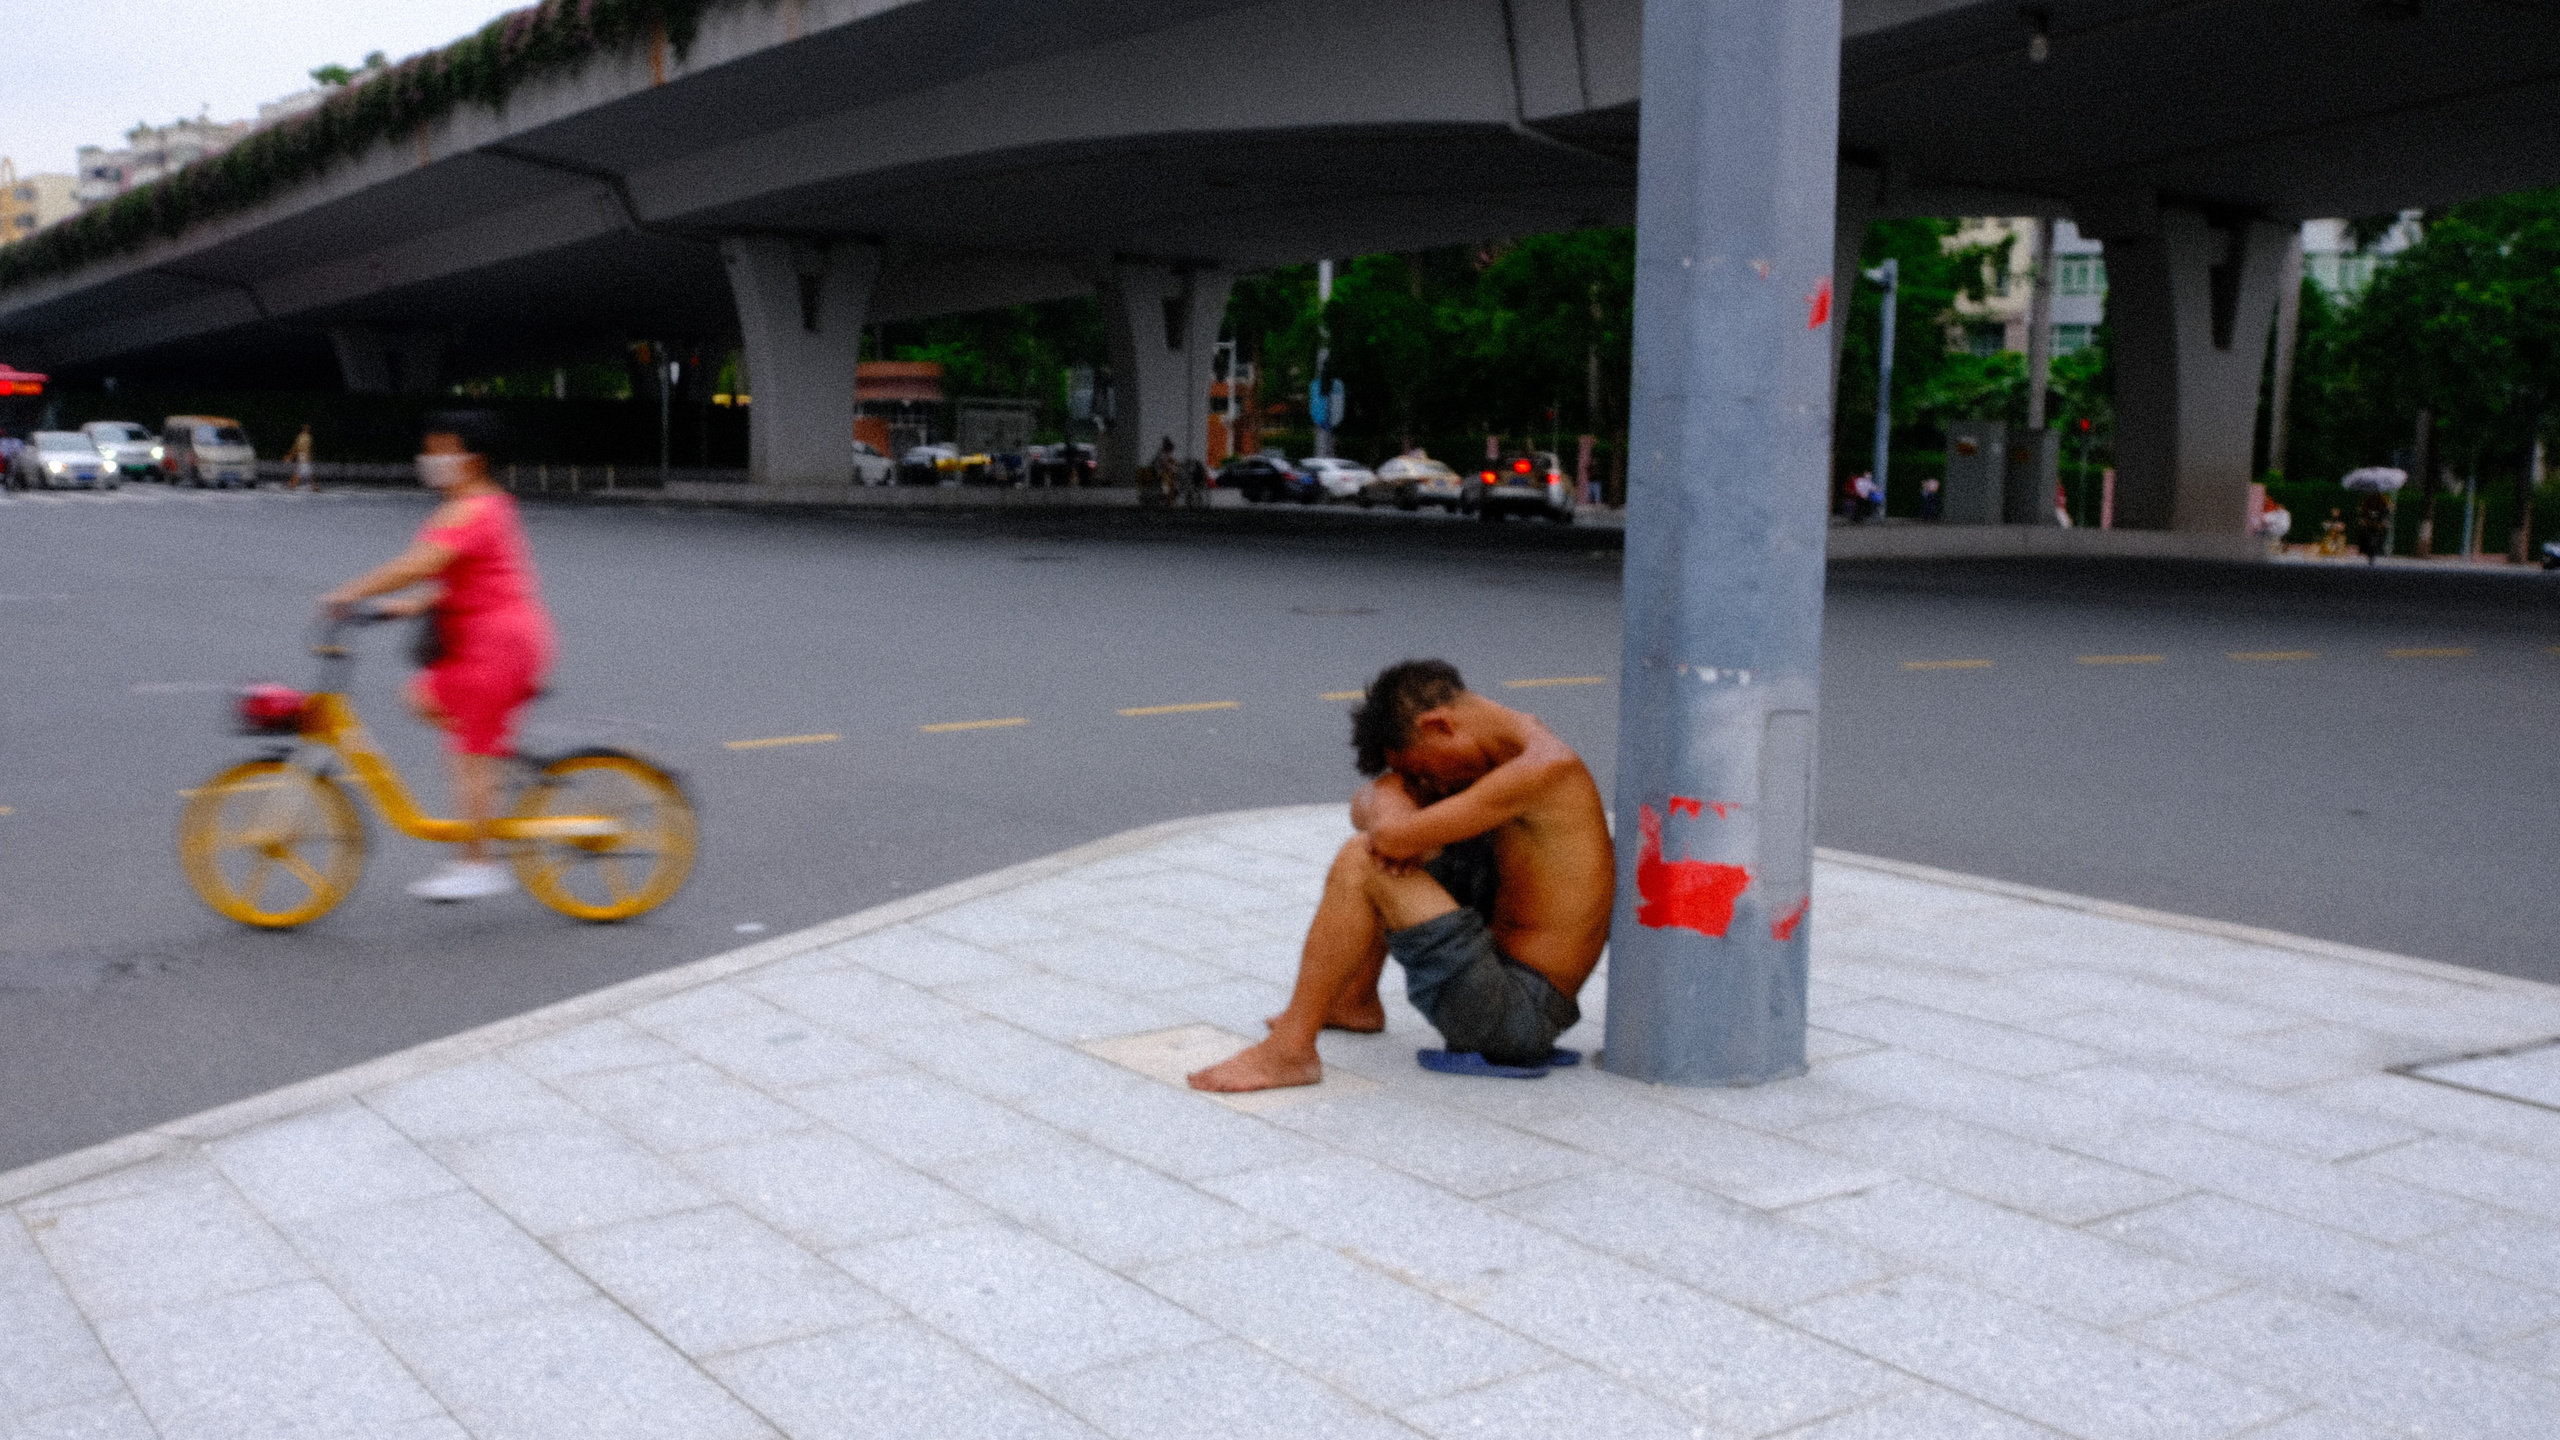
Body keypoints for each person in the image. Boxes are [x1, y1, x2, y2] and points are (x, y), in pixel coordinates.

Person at [1188, 660, 1615, 1092]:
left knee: (1364, 860)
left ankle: (1290, 1052)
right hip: (1502, 983)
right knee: (1396, 851)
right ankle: (1353, 1000)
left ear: (1439, 725)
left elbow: (1389, 836)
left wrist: (1394, 816)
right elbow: (1369, 803)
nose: (1432, 785)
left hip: (1518, 1017)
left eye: (1421, 772)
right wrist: (1394, 808)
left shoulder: (1542, 768)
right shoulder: (1497, 750)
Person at [319, 420, 556, 901]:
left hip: (497, 646)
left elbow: (419, 564)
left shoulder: (472, 509)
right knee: (423, 700)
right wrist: (408, 606)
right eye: (429, 450)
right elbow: (474, 575)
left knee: (467, 750)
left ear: (474, 460)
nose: (432, 461)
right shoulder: (483, 505)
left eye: (444, 451)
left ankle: (479, 865)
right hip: (492, 639)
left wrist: (349, 593)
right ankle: (493, 763)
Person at [2354, 493, 2391, 563]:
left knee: (2385, 528)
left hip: (2378, 524)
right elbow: (2362, 513)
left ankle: (2379, 547)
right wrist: (2365, 519)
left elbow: (2386, 514)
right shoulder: (2366, 502)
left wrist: (2382, 522)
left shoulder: (2383, 502)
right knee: (2362, 528)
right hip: (2368, 524)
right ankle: (2363, 547)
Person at [284, 423, 316, 492]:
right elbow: (306, 447)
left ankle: (314, 486)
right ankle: (291, 486)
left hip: (301, 455)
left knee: (307, 471)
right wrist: (307, 456)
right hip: (304, 455)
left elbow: (295, 446)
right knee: (303, 471)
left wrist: (290, 455)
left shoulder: (300, 436)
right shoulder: (307, 437)